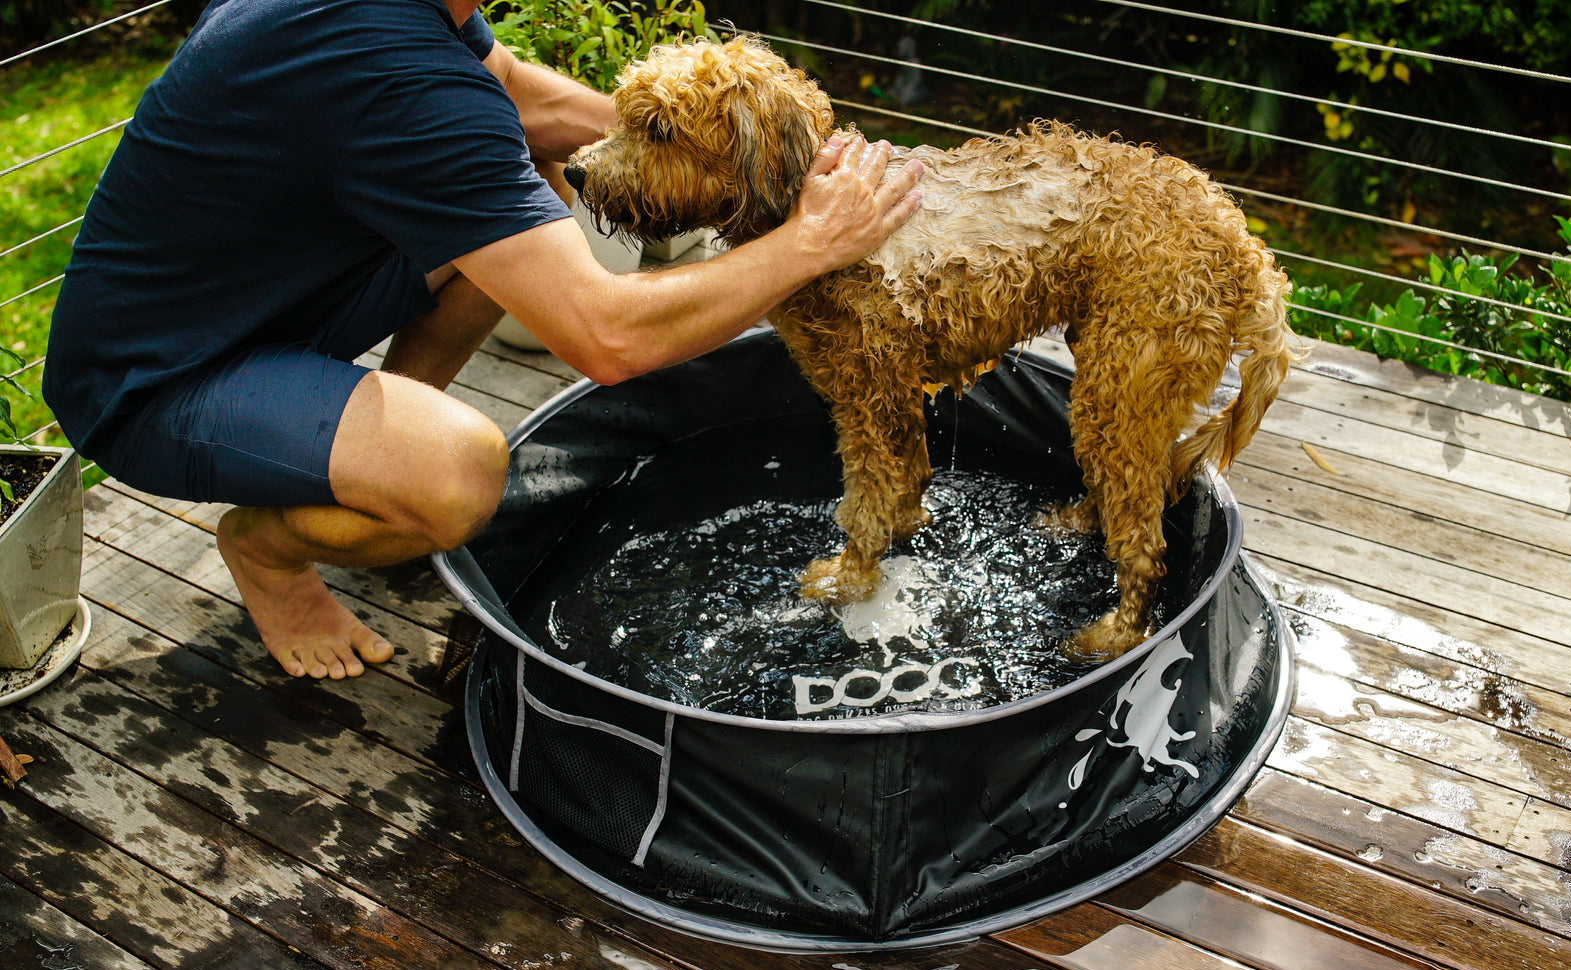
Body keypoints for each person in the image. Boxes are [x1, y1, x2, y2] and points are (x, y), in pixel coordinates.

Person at [44, 0, 923, 680]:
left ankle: (366, 454)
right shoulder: (395, 77)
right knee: (458, 478)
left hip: (269, 303)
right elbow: (607, 340)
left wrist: (727, 151)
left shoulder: (424, 15)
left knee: (522, 187)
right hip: (156, 382)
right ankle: (270, 548)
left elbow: (522, 95)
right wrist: (810, 242)